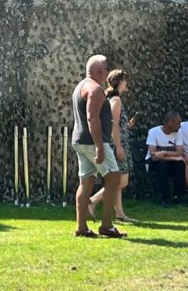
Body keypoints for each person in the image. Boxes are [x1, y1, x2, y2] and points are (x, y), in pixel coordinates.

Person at [71, 54, 126, 238]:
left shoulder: (80, 86)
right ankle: (107, 226)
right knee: (114, 178)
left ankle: (82, 227)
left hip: (80, 141)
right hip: (93, 142)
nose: (108, 72)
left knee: (86, 181)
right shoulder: (95, 89)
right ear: (101, 71)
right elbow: (92, 118)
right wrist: (100, 147)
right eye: (107, 69)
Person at [88, 69, 136, 223]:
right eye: (125, 80)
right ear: (120, 82)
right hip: (117, 144)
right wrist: (119, 147)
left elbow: (115, 124)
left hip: (115, 142)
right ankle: (93, 201)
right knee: (121, 180)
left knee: (118, 178)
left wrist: (127, 126)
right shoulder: (116, 100)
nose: (126, 84)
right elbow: (113, 125)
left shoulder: (109, 98)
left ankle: (120, 214)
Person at [145, 110, 185, 207]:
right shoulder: (153, 132)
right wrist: (174, 158)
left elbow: (180, 152)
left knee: (181, 165)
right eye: (178, 123)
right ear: (170, 123)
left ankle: (177, 196)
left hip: (169, 162)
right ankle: (165, 198)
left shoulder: (178, 133)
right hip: (153, 163)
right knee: (161, 164)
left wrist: (163, 153)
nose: (180, 126)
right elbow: (154, 156)